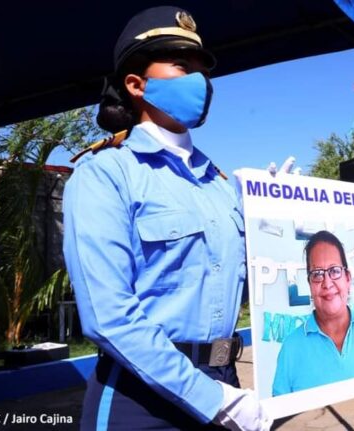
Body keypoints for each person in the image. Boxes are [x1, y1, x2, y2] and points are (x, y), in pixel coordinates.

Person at [63, 6, 271, 430]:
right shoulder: (106, 174)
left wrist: (281, 218)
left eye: (203, 71)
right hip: (139, 398)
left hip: (225, 378)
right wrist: (213, 401)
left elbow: (254, 282)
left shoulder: (219, 184)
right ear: (137, 84)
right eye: (182, 66)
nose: (200, 81)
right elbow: (108, 316)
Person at [271, 230, 354, 396]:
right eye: (317, 274)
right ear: (310, 284)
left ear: (347, 278)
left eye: (334, 271)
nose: (327, 283)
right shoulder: (290, 348)